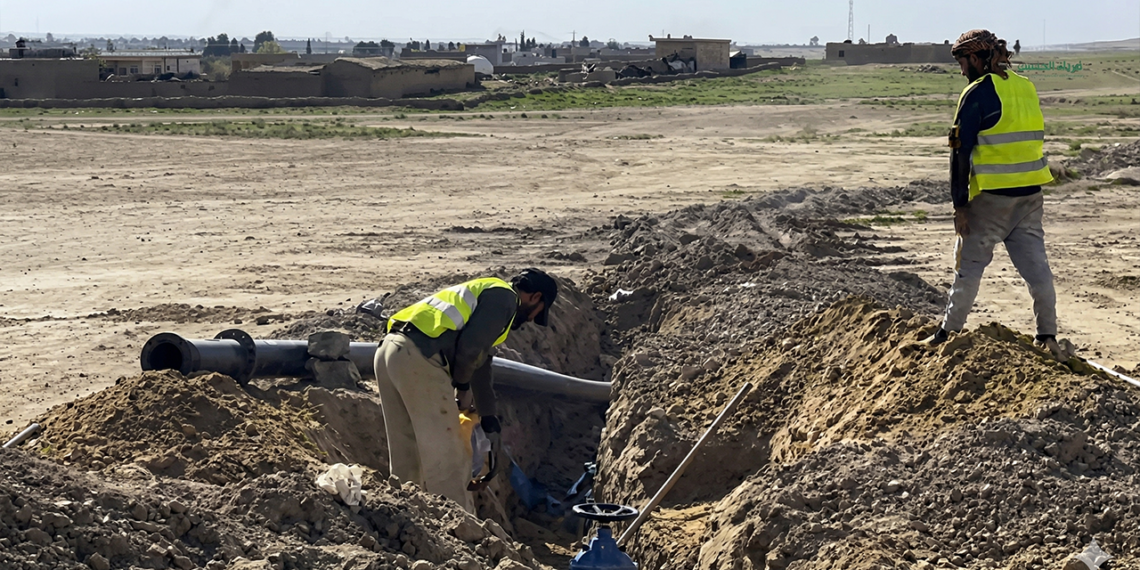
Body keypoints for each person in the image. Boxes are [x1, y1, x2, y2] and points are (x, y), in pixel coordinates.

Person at [924, 29, 1068, 361]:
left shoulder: (976, 93)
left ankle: (947, 334)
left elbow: (960, 154)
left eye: (962, 62)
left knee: (968, 267)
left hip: (991, 200)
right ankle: (1047, 337)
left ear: (975, 59)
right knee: (1038, 270)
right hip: (1030, 196)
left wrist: (960, 206)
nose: (961, 70)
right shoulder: (1025, 86)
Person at [374, 269, 558, 512]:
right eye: (538, 312)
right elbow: (470, 349)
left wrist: (488, 416)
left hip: (389, 352)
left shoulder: (484, 294)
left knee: (406, 453)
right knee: (448, 457)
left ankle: (404, 517)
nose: (533, 319)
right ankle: (461, 532)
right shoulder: (505, 298)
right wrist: (461, 387)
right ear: (534, 297)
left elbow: (481, 365)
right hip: (419, 358)